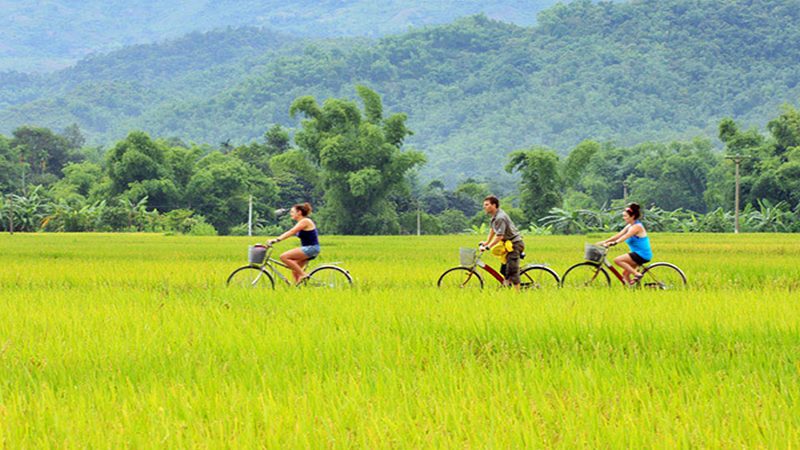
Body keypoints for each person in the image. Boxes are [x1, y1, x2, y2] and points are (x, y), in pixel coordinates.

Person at [479, 195, 525, 291]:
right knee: (504, 270)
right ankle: (506, 287)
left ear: (494, 205)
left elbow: (500, 236)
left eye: (487, 205)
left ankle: (517, 294)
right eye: (484, 205)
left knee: (512, 270)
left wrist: (488, 247)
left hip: (514, 245)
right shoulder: (494, 216)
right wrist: (486, 242)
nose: (484, 207)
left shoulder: (500, 217)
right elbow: (493, 230)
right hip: (507, 245)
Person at [267, 202, 320, 284]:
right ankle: (299, 288)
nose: (290, 214)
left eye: (292, 212)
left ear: (299, 212)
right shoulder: (302, 222)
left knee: (284, 257)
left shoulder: (305, 221)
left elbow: (291, 231)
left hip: (311, 248)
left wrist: (277, 239)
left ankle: (303, 275)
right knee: (295, 270)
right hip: (310, 248)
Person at [601, 203, 652, 285]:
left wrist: (614, 243)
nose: (623, 218)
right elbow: (618, 235)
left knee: (617, 260)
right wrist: (604, 242)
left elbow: (625, 237)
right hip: (636, 254)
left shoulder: (636, 227)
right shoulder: (629, 226)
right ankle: (631, 290)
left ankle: (637, 274)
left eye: (625, 216)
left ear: (632, 216)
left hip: (641, 254)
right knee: (625, 274)